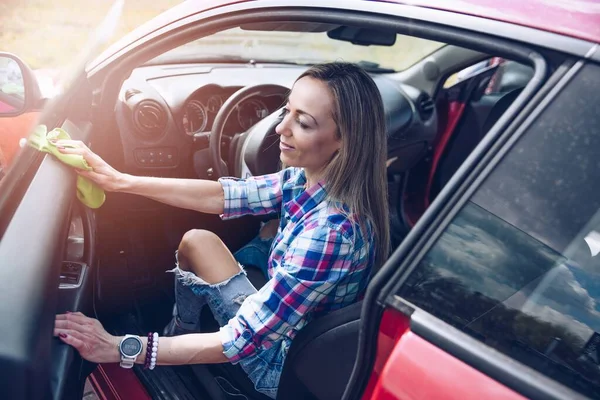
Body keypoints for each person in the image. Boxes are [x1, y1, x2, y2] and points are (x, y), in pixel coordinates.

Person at [52, 62, 390, 398]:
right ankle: (181, 328)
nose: (279, 129)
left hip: (279, 364)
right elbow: (225, 195)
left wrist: (119, 347)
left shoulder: (329, 234)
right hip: (293, 325)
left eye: (302, 123)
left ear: (344, 141)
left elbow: (240, 341)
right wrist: (121, 181)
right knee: (199, 240)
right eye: (286, 111)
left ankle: (182, 336)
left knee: (219, 248)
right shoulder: (308, 179)